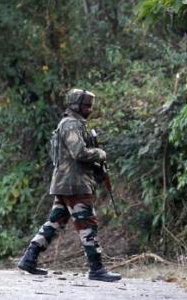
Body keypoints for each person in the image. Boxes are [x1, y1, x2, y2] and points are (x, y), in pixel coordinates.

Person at [17, 88, 121, 282]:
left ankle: (29, 258)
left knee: (55, 221)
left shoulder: (73, 124)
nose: (90, 109)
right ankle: (96, 268)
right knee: (87, 224)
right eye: (86, 105)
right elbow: (79, 153)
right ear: (76, 105)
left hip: (67, 182)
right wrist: (99, 153)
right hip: (75, 184)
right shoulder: (71, 125)